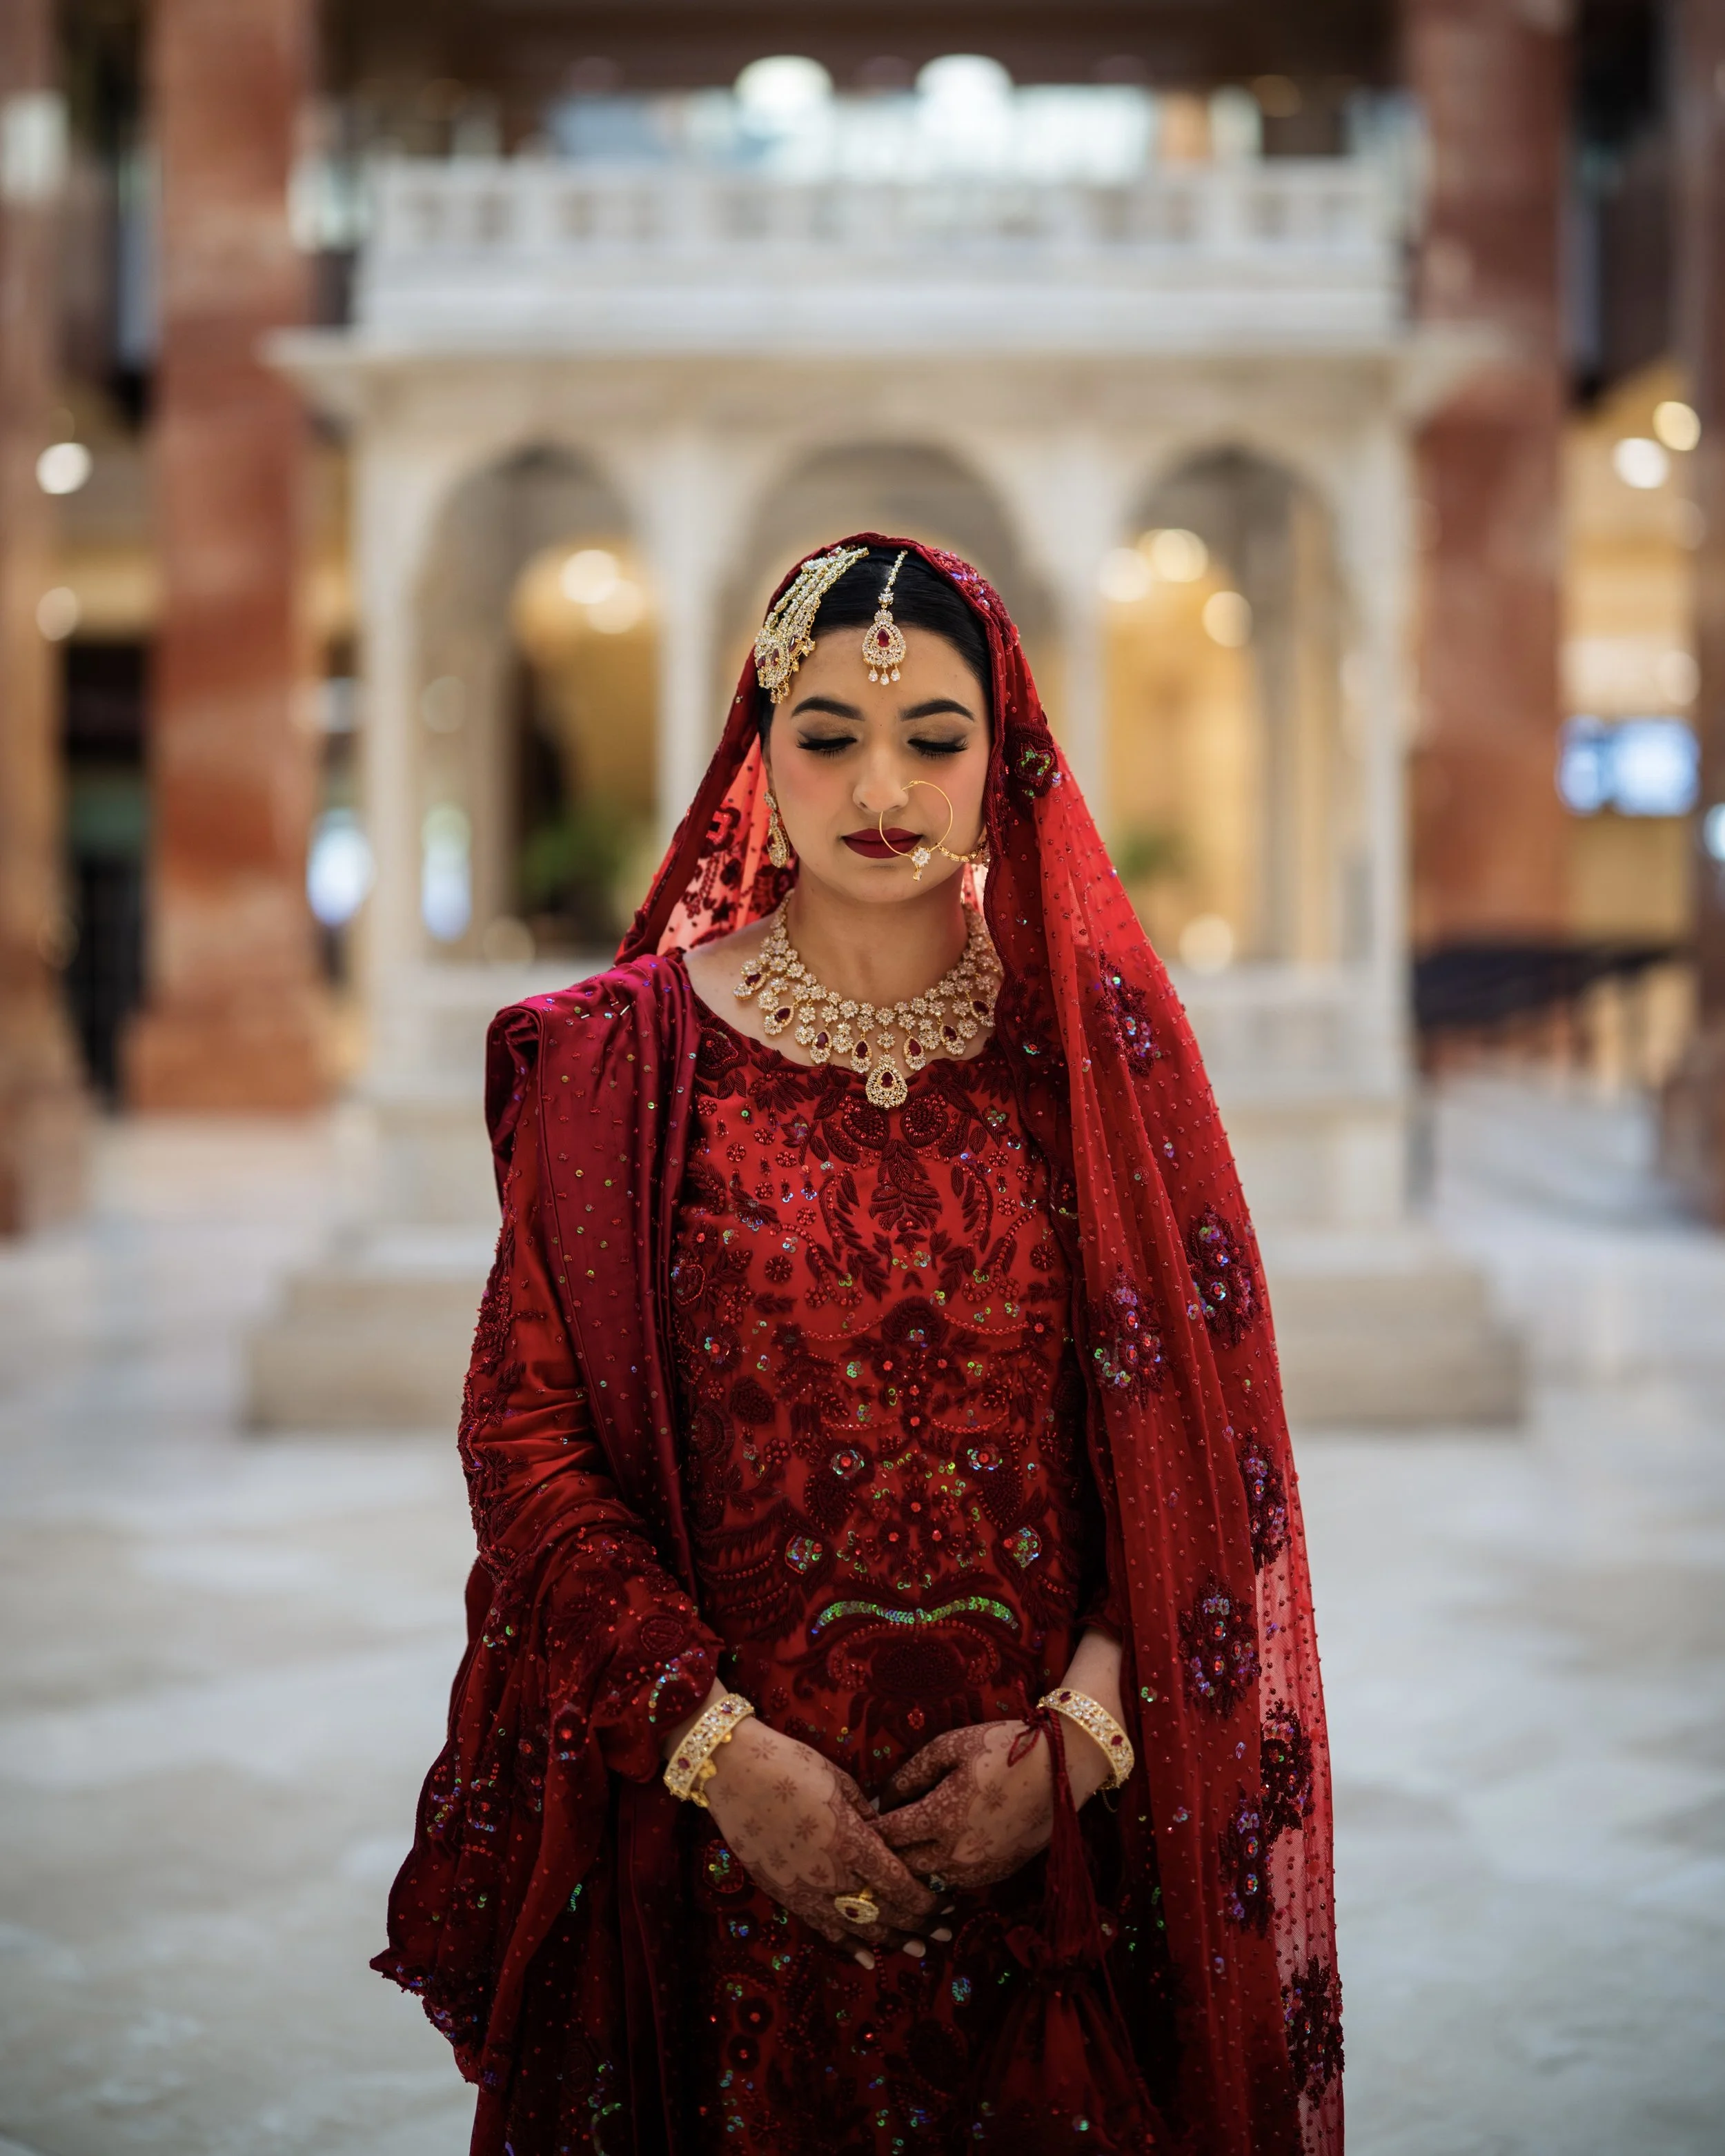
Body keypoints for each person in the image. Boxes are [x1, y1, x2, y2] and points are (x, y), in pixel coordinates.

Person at [375, 537, 1341, 2156]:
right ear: (758, 748)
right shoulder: (617, 1062)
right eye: (825, 733)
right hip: (704, 1855)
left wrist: (1083, 1743)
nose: (879, 781)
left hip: (1051, 1877)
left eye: (932, 735)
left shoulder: (1090, 1073)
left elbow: (1200, 1448)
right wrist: (718, 1751)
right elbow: (524, 1444)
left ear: (1004, 753)